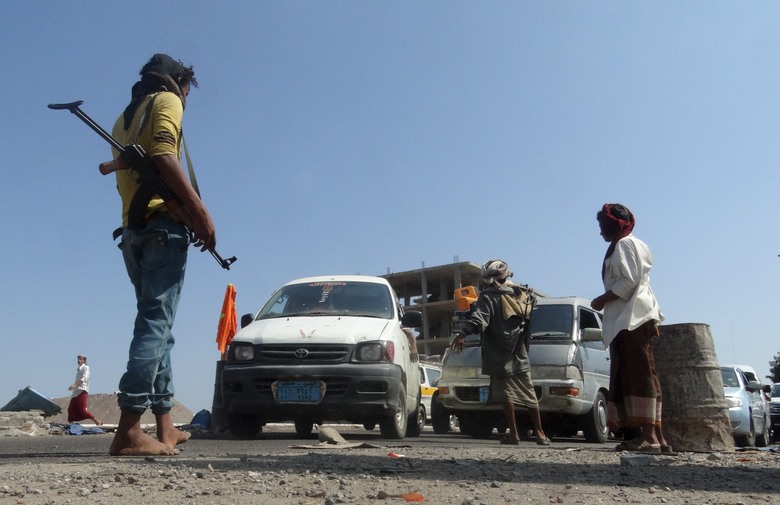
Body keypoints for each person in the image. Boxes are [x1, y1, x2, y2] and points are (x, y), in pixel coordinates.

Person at [106, 54, 217, 456]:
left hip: (133, 233)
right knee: (154, 324)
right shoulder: (167, 101)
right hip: (161, 230)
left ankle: (166, 427)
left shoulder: (124, 117)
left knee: (160, 328)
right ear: (179, 81)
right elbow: (163, 155)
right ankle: (129, 430)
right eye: (187, 91)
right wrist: (201, 214)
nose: (186, 100)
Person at [590, 203, 671, 454]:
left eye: (603, 225)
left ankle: (649, 437)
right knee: (643, 372)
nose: (600, 231)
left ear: (613, 225)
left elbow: (629, 282)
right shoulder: (637, 243)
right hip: (636, 315)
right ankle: (657, 437)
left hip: (632, 316)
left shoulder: (624, 244)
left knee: (640, 374)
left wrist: (601, 300)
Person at [450, 259, 550, 446]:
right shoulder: (521, 293)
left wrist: (462, 333)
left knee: (507, 395)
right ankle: (540, 433)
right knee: (529, 393)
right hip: (519, 352)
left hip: (499, 354)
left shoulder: (488, 296)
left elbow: (480, 318)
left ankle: (514, 434)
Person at [67, 355, 103, 426]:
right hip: (76, 392)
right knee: (71, 409)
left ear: (84, 360)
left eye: (80, 359)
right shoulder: (79, 369)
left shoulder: (86, 368)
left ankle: (97, 421)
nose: (79, 360)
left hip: (82, 391)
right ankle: (71, 425)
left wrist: (74, 385)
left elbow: (84, 379)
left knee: (82, 410)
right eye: (78, 359)